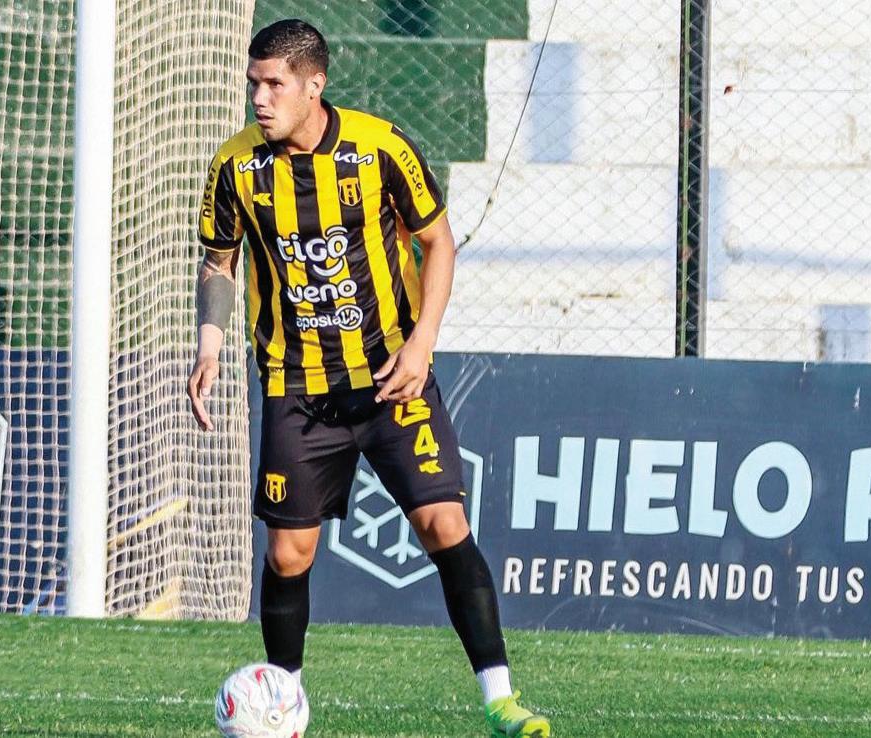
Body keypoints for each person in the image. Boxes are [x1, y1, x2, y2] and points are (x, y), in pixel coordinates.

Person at [187, 18, 551, 738]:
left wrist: (421, 344)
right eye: (254, 83)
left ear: (313, 85)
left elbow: (437, 241)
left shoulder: (379, 148)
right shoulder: (235, 166)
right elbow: (218, 262)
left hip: (390, 377)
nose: (259, 98)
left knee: (444, 524)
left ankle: (501, 701)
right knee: (289, 553)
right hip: (295, 385)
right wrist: (209, 344)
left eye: (274, 84)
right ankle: (282, 705)